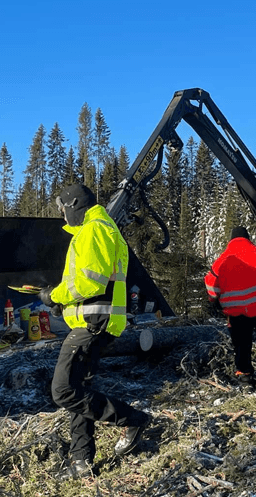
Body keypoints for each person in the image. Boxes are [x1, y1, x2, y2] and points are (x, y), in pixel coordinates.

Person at [39, 184, 151, 480]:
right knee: (78, 388)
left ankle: (133, 419)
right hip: (93, 321)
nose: (62, 216)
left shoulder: (95, 230)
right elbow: (92, 286)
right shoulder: (97, 229)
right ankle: (81, 462)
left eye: (63, 209)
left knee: (62, 390)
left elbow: (91, 284)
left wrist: (55, 296)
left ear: (74, 204)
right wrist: (63, 306)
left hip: (94, 325)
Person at [205, 226, 256, 390]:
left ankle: (246, 380)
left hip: (235, 313)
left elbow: (211, 289)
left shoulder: (221, 261)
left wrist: (216, 300)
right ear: (248, 239)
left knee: (241, 345)